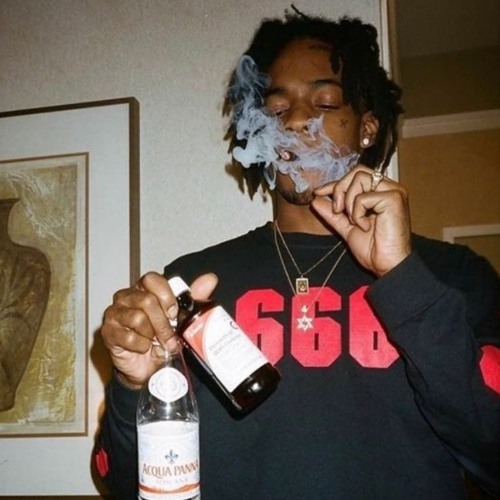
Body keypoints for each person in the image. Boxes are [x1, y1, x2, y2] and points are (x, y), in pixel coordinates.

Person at [93, 10, 500, 500]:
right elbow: (123, 483)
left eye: (324, 102)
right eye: (277, 108)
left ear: (367, 129)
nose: (298, 119)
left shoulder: (454, 276)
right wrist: (133, 386)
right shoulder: (191, 286)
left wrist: (403, 277)